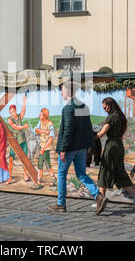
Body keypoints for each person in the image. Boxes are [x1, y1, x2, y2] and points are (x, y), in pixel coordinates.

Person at [48, 82, 106, 215]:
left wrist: (63, 149)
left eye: (62, 91)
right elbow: (88, 128)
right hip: (81, 148)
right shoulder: (84, 106)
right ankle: (98, 196)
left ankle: (61, 204)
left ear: (68, 91)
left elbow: (68, 130)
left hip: (69, 149)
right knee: (81, 174)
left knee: (62, 174)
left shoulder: (68, 108)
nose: (61, 93)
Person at [96, 98, 135, 210]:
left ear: (110, 105)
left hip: (111, 146)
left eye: (105, 107)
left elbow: (101, 133)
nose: (104, 110)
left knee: (104, 170)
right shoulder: (120, 117)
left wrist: (91, 136)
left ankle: (101, 199)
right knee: (119, 171)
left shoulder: (112, 117)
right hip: (119, 145)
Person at [7, 95, 30, 183]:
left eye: (12, 111)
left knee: (24, 158)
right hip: (15, 142)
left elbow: (23, 111)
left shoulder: (19, 116)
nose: (11, 113)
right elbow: (16, 127)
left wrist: (24, 102)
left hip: (22, 140)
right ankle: (9, 177)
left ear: (15, 111)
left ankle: (25, 174)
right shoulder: (9, 120)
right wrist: (24, 126)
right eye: (10, 112)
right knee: (11, 159)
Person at [33, 108, 57, 189]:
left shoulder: (50, 125)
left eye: (41, 114)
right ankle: (52, 178)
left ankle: (40, 182)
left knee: (44, 164)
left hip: (46, 147)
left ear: (45, 116)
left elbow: (51, 138)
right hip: (42, 146)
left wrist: (43, 149)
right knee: (44, 164)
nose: (39, 116)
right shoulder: (41, 122)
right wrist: (43, 131)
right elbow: (35, 130)